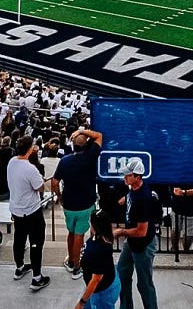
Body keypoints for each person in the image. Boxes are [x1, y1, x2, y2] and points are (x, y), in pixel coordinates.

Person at [51, 126, 102, 279]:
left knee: (71, 233)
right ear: (86, 145)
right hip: (85, 204)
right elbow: (99, 135)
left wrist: (59, 196)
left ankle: (71, 259)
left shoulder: (65, 161)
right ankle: (76, 267)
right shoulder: (91, 156)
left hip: (69, 204)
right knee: (79, 235)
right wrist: (83, 132)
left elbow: (54, 182)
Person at [114, 159, 161, 309]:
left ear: (138, 176)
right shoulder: (135, 189)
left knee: (144, 283)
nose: (125, 177)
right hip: (132, 241)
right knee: (122, 273)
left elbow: (141, 232)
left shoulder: (143, 198)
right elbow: (131, 196)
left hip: (143, 244)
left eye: (128, 175)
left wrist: (121, 232)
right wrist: (125, 199)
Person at [7, 135, 50, 291]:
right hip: (31, 211)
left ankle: (19, 267)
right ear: (30, 149)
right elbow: (40, 187)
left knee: (19, 238)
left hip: (16, 209)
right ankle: (37, 277)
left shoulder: (12, 162)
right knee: (36, 242)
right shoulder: (30, 168)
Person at [75, 210, 119, 309]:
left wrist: (81, 303)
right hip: (102, 286)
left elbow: (96, 279)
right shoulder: (103, 237)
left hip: (102, 291)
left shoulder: (99, 249)